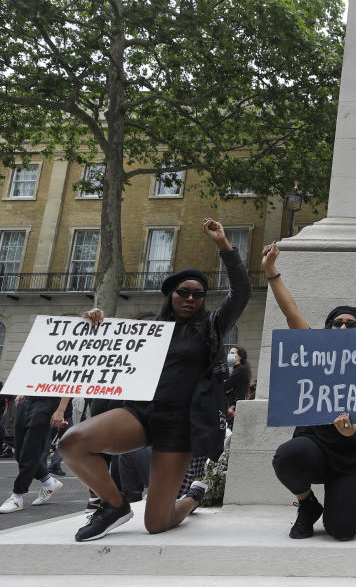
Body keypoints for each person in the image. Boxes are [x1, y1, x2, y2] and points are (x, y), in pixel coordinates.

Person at [59, 218, 250, 541]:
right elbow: (107, 354)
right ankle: (113, 505)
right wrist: (94, 324)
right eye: (184, 293)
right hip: (141, 413)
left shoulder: (211, 327)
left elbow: (241, 292)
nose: (191, 299)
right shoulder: (147, 330)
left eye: (199, 295)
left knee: (157, 524)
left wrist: (223, 246)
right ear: (171, 294)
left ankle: (191, 498)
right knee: (72, 443)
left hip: (181, 424)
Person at [262, 242, 356, 541]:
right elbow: (292, 314)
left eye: (351, 325)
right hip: (312, 449)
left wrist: (354, 433)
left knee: (343, 530)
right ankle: (307, 505)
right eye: (336, 323)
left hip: (352, 459)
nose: (342, 328)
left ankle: (336, 507)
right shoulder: (314, 357)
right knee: (288, 454)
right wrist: (271, 270)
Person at [0, 394, 69, 513]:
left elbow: (67, 383)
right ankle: (49, 482)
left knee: (30, 452)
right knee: (20, 454)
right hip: (26, 399)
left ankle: (17, 496)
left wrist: (61, 410)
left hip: (47, 401)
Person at [224, 346, 250, 411]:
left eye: (232, 353)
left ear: (240, 357)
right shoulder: (238, 369)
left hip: (234, 406)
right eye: (229, 353)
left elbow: (226, 386)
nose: (229, 355)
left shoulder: (240, 369)